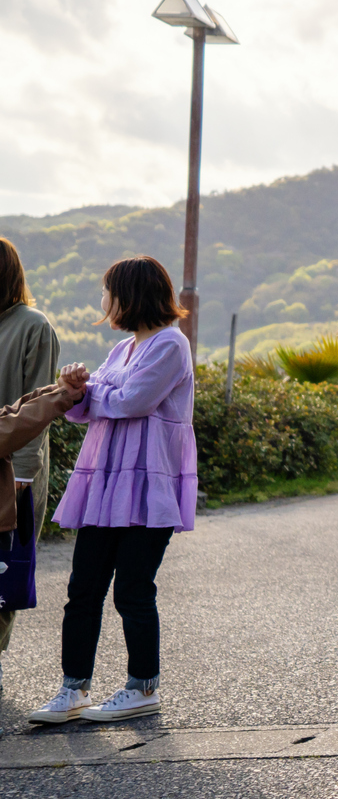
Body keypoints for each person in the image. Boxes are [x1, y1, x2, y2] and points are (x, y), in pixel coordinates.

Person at [28, 256, 199, 725]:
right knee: (83, 588)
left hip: (149, 483)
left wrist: (89, 394)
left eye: (108, 291)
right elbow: (86, 409)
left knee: (133, 590)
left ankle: (142, 687)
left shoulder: (170, 345)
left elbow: (133, 401)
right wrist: (76, 389)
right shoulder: (124, 349)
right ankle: (73, 689)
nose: (103, 301)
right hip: (106, 482)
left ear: (129, 294)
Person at [0, 237, 62, 693]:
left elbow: (39, 405)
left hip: (14, 472)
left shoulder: (32, 326)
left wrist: (23, 474)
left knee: (3, 574)